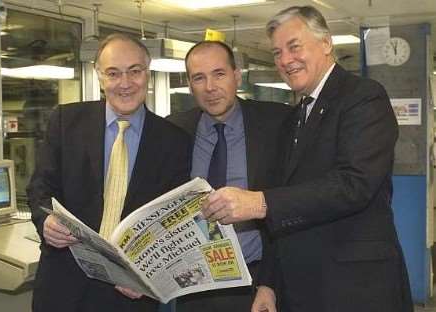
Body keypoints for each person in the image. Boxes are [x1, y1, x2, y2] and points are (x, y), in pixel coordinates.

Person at [200, 6, 413, 312]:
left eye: (294, 46)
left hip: (357, 288)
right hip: (301, 288)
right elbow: (283, 214)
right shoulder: (294, 119)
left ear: (326, 43)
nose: (285, 60)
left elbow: (354, 184)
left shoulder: (364, 97)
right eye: (276, 52)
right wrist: (269, 284)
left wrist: (260, 202)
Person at [27, 33, 191, 312]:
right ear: (99, 76)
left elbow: (172, 221)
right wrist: (45, 221)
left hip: (132, 293)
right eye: (113, 73)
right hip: (63, 285)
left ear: (147, 73)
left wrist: (148, 274)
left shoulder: (175, 141)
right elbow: (40, 188)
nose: (125, 84)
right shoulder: (66, 121)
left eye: (134, 72)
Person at [167, 41, 292, 312]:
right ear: (190, 85)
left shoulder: (277, 123)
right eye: (199, 78)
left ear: (237, 76)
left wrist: (270, 284)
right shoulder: (174, 129)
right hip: (194, 285)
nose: (210, 87)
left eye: (219, 74)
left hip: (257, 284)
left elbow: (287, 206)